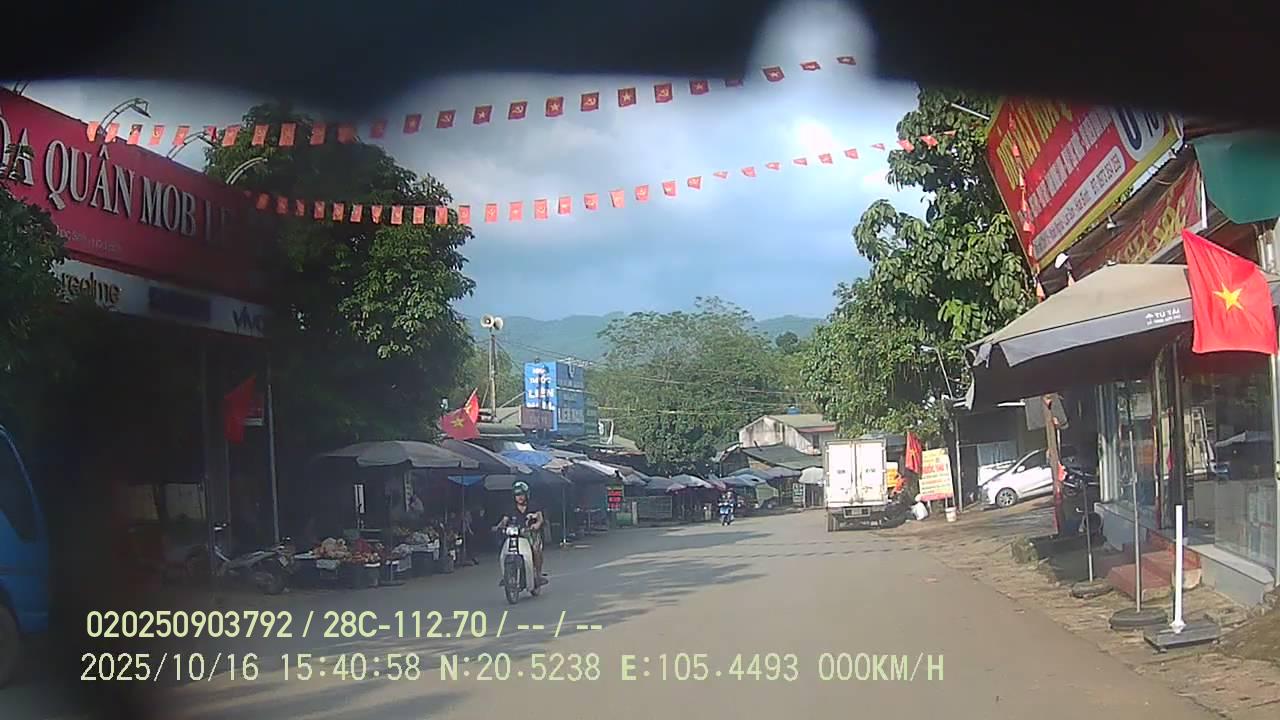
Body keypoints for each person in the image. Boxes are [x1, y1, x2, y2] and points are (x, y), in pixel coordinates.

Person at [496, 481, 546, 586]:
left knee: (536, 550)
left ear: (526, 494)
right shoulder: (510, 508)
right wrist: (498, 527)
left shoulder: (533, 505)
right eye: (517, 495)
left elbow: (540, 518)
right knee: (505, 551)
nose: (520, 497)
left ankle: (538, 575)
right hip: (515, 535)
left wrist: (536, 525)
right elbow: (504, 520)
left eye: (521, 494)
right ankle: (506, 576)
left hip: (530, 534)